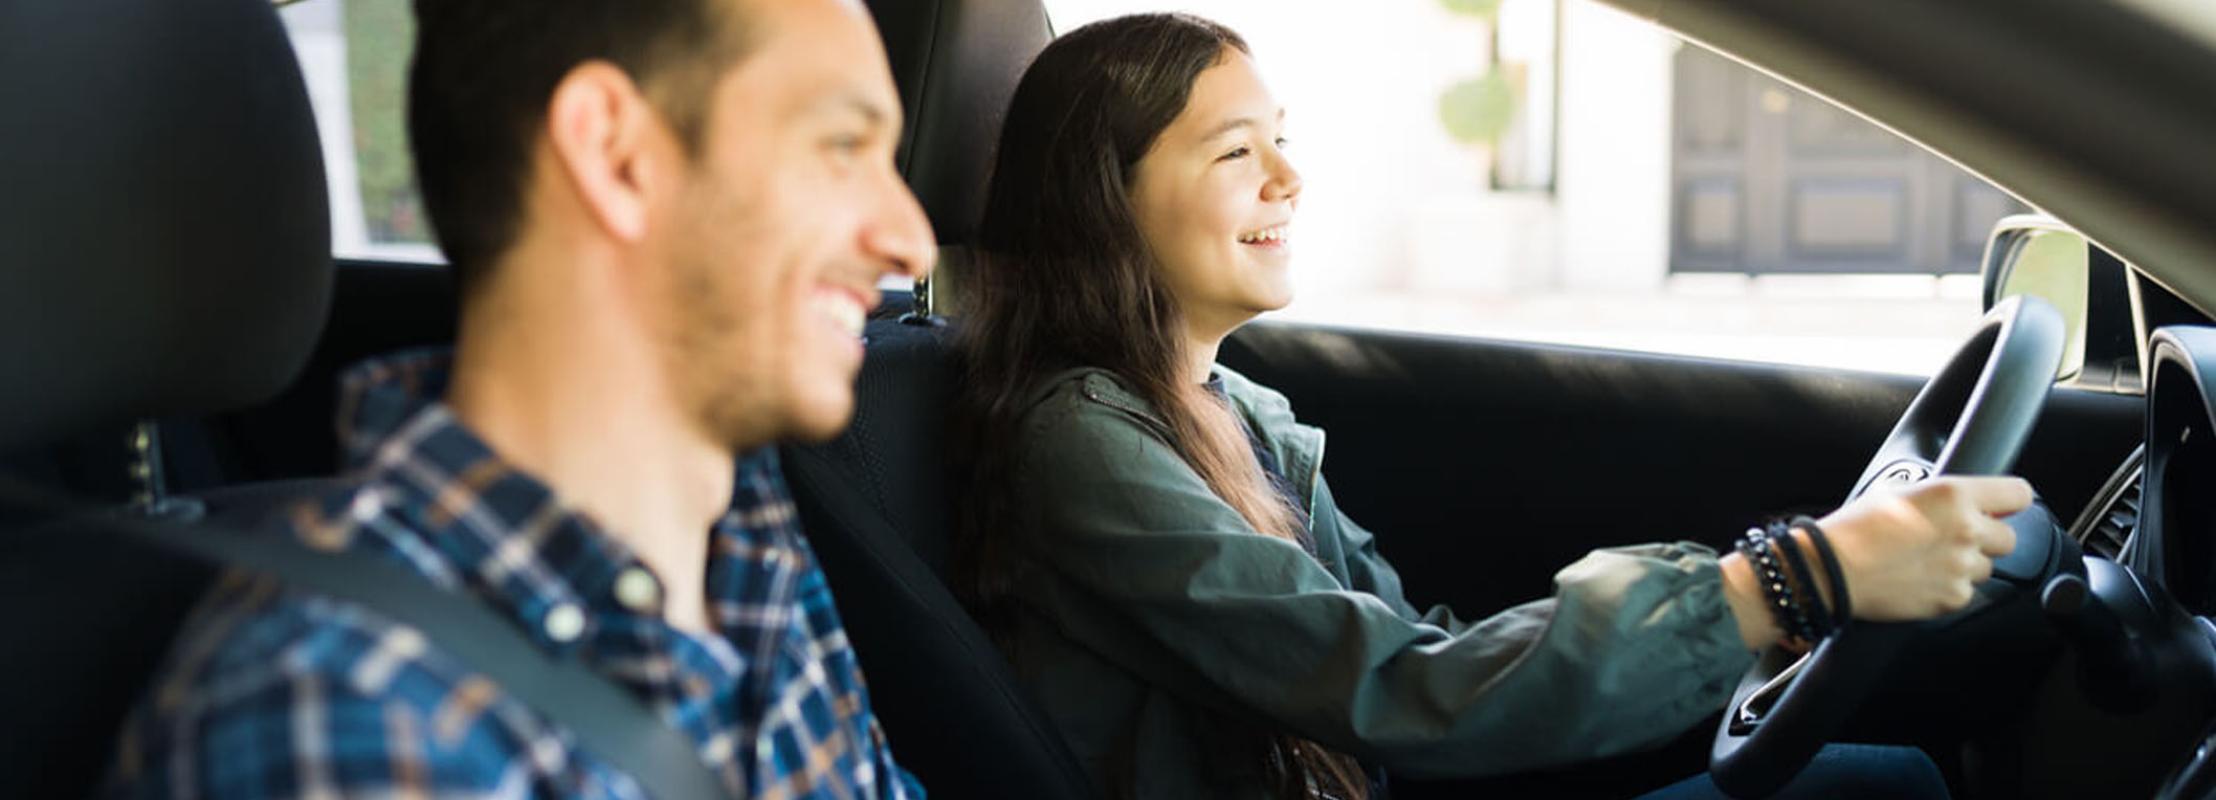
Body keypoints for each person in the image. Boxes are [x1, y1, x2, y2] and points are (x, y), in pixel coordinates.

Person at [952, 13, 2028, 799]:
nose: (1289, 174)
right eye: (1235, 151)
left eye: (1279, 136)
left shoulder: (1232, 410)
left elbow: (1417, 643)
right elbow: (1398, 686)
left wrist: (1738, 623)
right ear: (1105, 198)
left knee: (1871, 777)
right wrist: (1791, 577)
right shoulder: (1081, 443)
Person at [105, 0, 935, 796]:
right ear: (616, 155)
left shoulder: (749, 554)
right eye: (841, 147)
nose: (912, 241)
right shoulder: (348, 716)